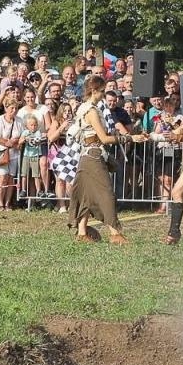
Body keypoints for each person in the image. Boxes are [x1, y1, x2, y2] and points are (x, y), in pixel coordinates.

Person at [68, 76, 138, 245]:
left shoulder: (84, 108)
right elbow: (104, 139)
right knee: (107, 194)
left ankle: (82, 233)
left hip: (88, 156)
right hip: (93, 156)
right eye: (101, 91)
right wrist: (129, 138)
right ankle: (115, 234)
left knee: (85, 196)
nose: (102, 95)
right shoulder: (91, 111)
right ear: (93, 91)